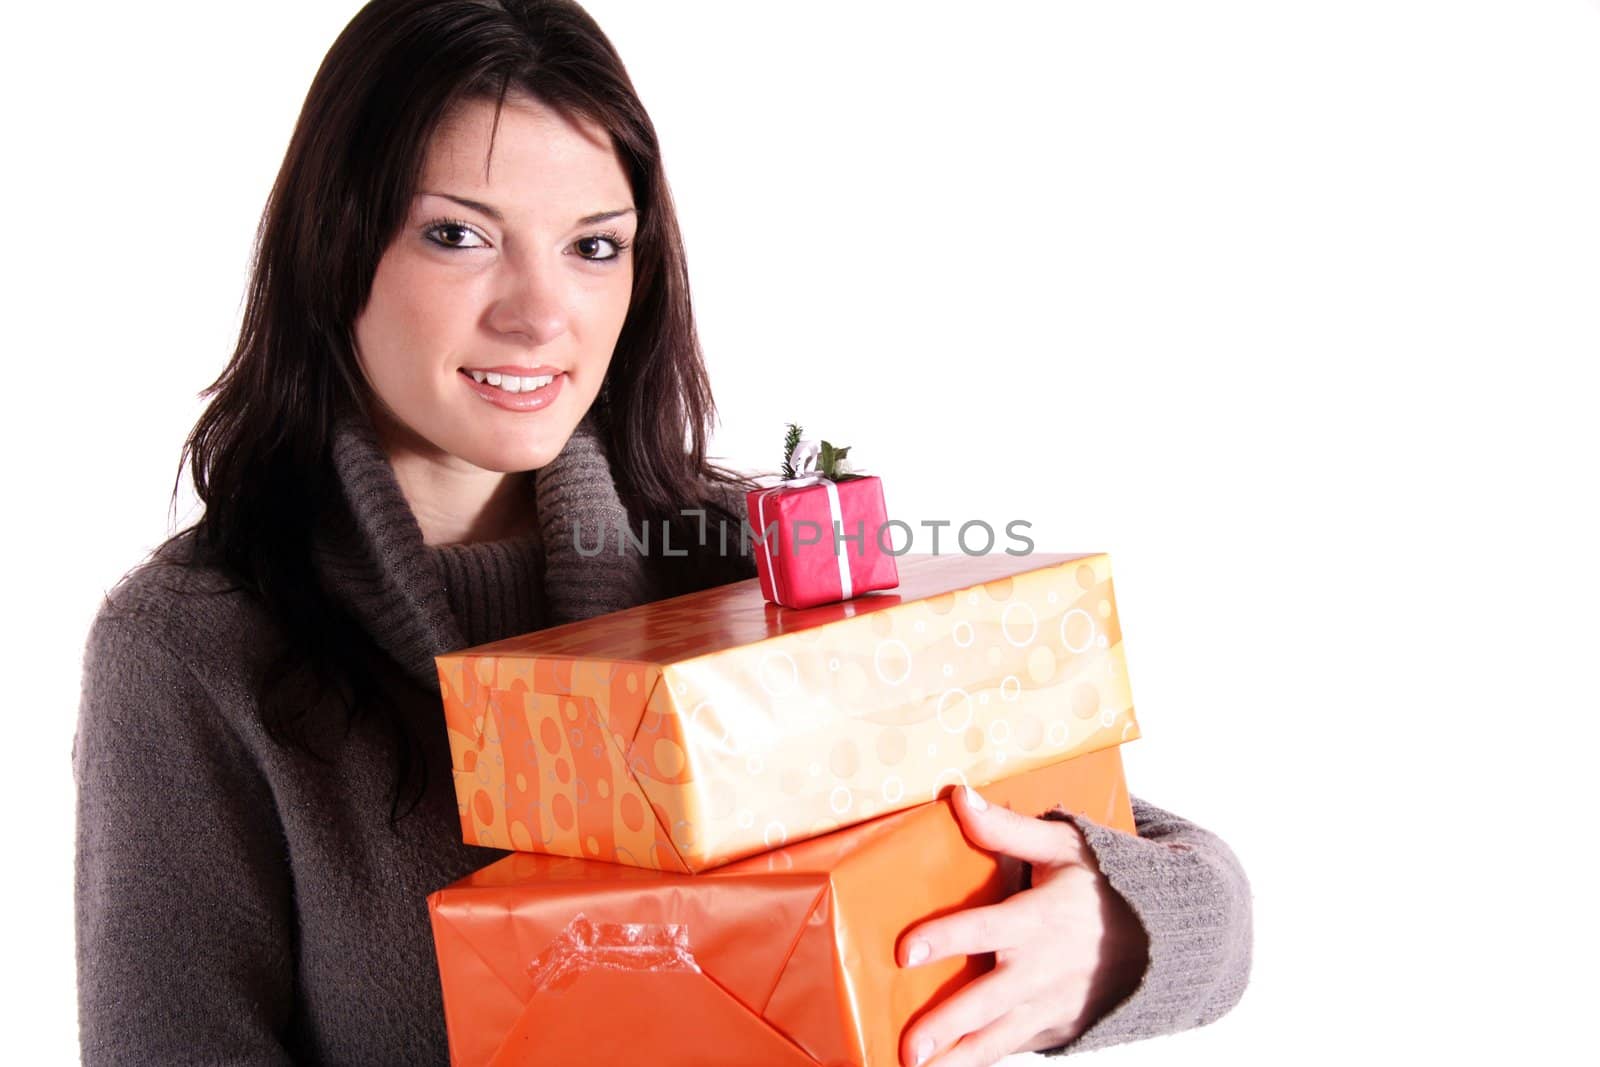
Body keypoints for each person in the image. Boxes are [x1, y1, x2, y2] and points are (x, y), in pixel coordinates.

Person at [71, 1, 1252, 1064]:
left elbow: (1201, 894)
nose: (540, 314)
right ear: (335, 250)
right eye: (458, 235)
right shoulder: (194, 645)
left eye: (594, 245)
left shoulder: (747, 553)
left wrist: (1105, 932)